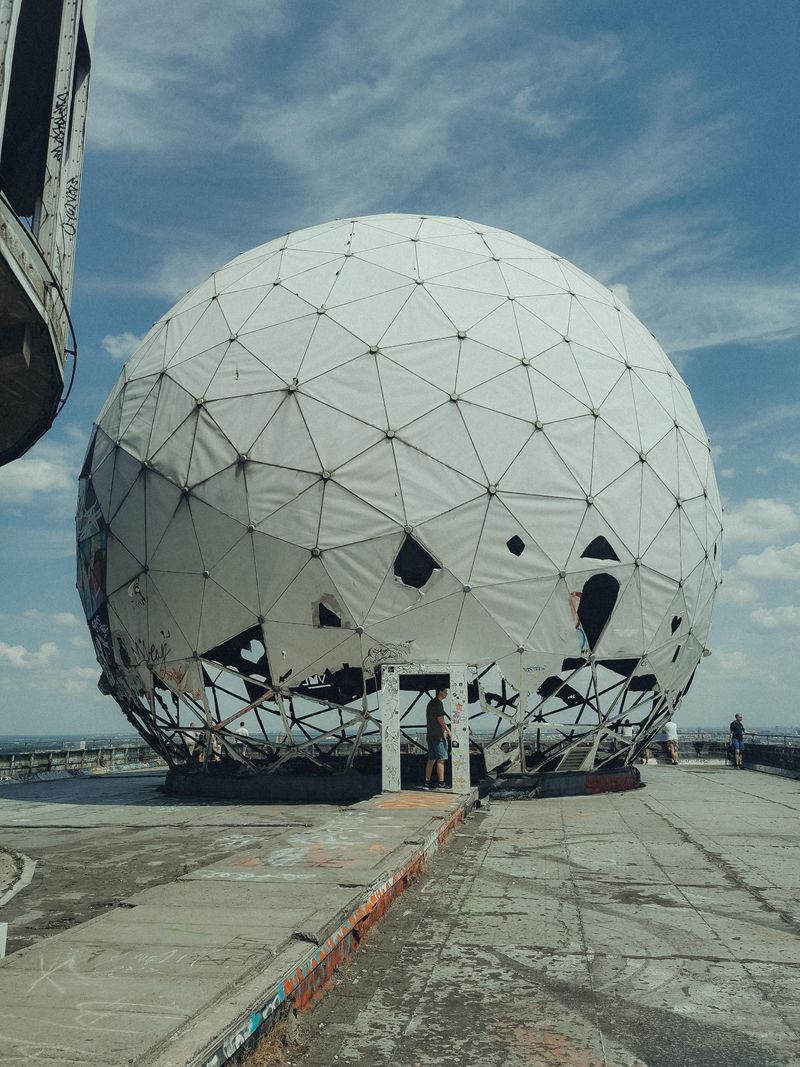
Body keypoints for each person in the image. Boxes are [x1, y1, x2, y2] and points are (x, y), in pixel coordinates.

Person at [423, 686, 451, 790]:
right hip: (438, 735)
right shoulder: (438, 704)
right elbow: (440, 719)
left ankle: (427, 782)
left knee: (431, 759)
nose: (446, 694)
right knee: (441, 759)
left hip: (430, 734)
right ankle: (441, 783)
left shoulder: (430, 703)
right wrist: (448, 731)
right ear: (440, 692)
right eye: (445, 692)